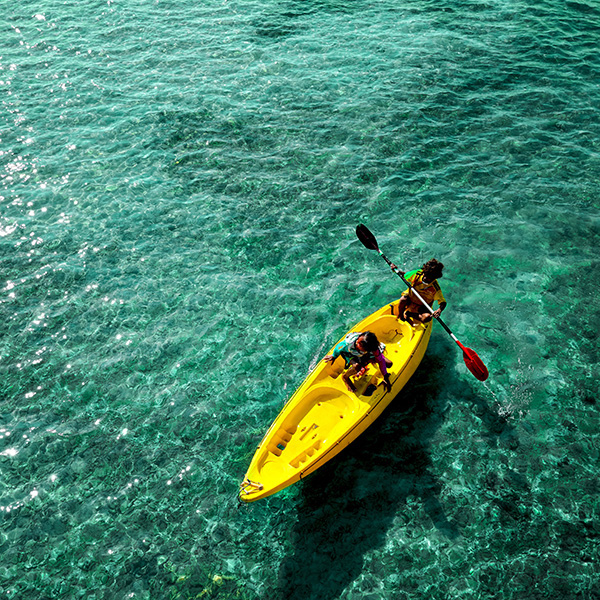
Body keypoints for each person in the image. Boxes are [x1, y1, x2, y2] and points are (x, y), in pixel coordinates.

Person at [324, 331, 392, 393]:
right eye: (358, 341)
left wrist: (386, 377)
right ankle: (345, 377)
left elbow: (381, 361)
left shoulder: (373, 348)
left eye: (359, 344)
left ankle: (370, 359)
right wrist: (334, 356)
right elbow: (338, 347)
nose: (357, 342)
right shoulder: (348, 343)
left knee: (389, 363)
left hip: (363, 353)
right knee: (357, 366)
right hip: (349, 353)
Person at [390, 258, 447, 325]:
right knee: (403, 299)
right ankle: (400, 316)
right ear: (424, 272)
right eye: (425, 275)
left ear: (434, 278)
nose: (426, 279)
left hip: (422, 306)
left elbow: (443, 302)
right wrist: (395, 270)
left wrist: (439, 310)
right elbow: (405, 275)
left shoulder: (435, 287)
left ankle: (409, 314)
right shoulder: (418, 273)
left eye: (430, 278)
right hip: (410, 299)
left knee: (427, 317)